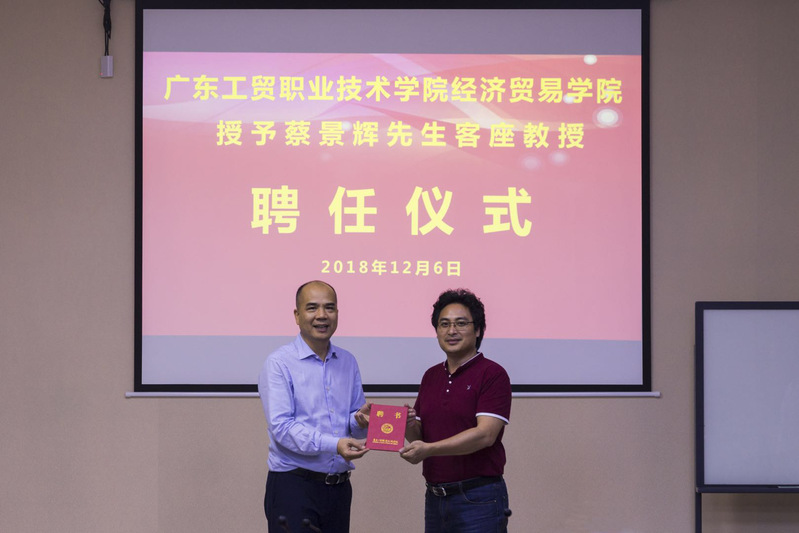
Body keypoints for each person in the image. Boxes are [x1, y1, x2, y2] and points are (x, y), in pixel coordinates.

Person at [258, 280, 369, 533]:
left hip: (339, 489)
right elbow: (282, 428)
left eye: (329, 308)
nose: (322, 315)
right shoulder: (279, 363)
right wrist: (335, 444)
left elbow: (352, 422)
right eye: (312, 308)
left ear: (337, 313)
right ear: (297, 316)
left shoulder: (348, 361)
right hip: (294, 487)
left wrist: (359, 421)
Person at [400, 289, 512, 533]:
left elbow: (485, 435)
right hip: (435, 498)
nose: (451, 331)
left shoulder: (492, 374)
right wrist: (408, 424)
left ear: (478, 330)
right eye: (444, 324)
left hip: (479, 498)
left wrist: (430, 449)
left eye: (461, 323)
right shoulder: (431, 376)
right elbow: (420, 437)